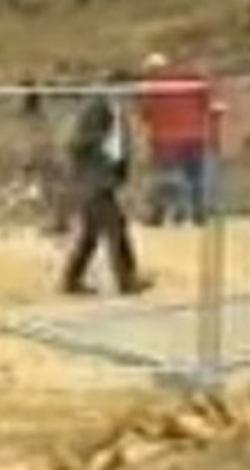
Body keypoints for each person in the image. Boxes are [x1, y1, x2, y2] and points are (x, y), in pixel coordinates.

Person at [62, 76, 150, 297]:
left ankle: (72, 279)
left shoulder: (116, 110)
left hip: (105, 179)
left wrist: (119, 170)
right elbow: (76, 142)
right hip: (92, 180)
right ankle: (126, 280)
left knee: (91, 233)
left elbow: (120, 145)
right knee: (116, 227)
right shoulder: (96, 108)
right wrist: (100, 148)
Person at [139, 49, 215, 226]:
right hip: (195, 135)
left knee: (164, 178)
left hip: (165, 138)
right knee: (195, 177)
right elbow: (207, 104)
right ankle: (198, 214)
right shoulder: (193, 80)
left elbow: (145, 113)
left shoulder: (152, 86)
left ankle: (159, 214)